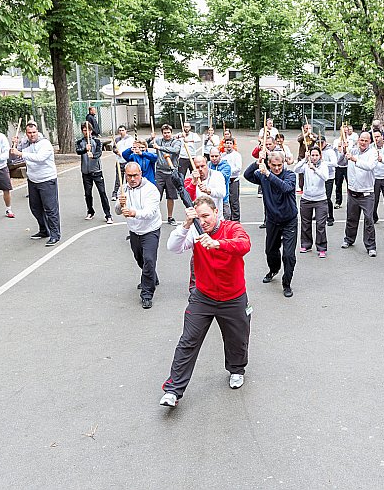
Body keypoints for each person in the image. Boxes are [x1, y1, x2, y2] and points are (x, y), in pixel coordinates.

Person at [160, 196, 252, 408]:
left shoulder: (231, 228)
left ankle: (236, 370)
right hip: (203, 297)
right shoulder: (194, 231)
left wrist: (218, 243)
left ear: (216, 212)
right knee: (188, 341)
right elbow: (173, 247)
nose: (202, 222)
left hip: (233, 297)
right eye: (198, 217)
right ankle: (173, 390)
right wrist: (186, 225)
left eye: (206, 216)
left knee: (237, 339)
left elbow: (244, 244)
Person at [244, 152, 298, 298]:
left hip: (289, 220)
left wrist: (268, 174)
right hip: (273, 220)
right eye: (273, 165)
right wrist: (257, 162)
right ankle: (274, 269)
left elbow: (285, 188)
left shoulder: (290, 175)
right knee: (270, 250)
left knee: (288, 255)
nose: (277, 168)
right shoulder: (262, 175)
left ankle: (286, 283)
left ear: (283, 164)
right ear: (268, 164)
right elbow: (247, 175)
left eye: (279, 165)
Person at [115, 162, 162, 309]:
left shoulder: (151, 190)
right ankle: (151, 276)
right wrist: (120, 203)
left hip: (150, 230)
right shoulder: (123, 189)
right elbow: (117, 211)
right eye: (129, 176)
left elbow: (150, 213)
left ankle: (147, 294)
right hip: (134, 231)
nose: (132, 179)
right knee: (140, 259)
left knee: (149, 259)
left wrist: (133, 213)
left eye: (135, 175)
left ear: (140, 174)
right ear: (125, 175)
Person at [10, 121, 61, 246]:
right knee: (35, 208)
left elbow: (40, 158)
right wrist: (14, 146)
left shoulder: (45, 144)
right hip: (33, 180)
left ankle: (55, 234)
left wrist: (21, 153)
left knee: (50, 208)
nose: (32, 135)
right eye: (29, 133)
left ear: (37, 131)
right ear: (26, 133)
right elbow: (13, 158)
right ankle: (44, 230)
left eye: (34, 132)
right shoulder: (24, 143)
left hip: (47, 179)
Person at [341, 131, 378, 256]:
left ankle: (371, 246)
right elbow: (340, 162)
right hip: (352, 192)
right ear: (358, 140)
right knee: (351, 218)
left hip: (366, 193)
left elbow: (370, 166)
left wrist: (354, 159)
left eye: (366, 140)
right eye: (361, 140)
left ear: (370, 142)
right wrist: (343, 150)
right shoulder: (352, 150)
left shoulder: (373, 153)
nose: (363, 142)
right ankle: (349, 239)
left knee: (369, 219)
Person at [294, 146, 330, 257]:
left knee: (320, 224)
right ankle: (306, 244)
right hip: (306, 199)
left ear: (320, 156)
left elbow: (325, 177)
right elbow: (296, 169)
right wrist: (304, 159)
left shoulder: (323, 165)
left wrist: (314, 169)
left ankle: (321, 247)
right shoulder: (306, 165)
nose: (314, 157)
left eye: (316, 155)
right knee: (305, 223)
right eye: (312, 155)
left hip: (320, 200)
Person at [76, 123, 112, 224]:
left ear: (91, 131)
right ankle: (90, 211)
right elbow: (78, 151)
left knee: (102, 192)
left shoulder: (97, 141)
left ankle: (108, 215)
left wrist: (93, 156)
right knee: (88, 193)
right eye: (84, 130)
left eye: (88, 130)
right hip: (86, 173)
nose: (86, 132)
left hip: (96, 172)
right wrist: (85, 149)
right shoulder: (80, 142)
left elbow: (99, 153)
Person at [153, 124, 182, 225]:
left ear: (171, 132)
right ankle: (154, 216)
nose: (167, 134)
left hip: (171, 172)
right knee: (156, 196)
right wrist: (151, 138)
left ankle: (170, 217)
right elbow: (145, 143)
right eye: (164, 133)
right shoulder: (158, 141)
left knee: (170, 196)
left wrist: (160, 148)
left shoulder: (176, 142)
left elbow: (175, 150)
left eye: (168, 132)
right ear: (162, 133)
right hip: (160, 172)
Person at [110, 125, 134, 200]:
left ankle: (129, 193)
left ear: (126, 131)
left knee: (128, 179)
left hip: (127, 161)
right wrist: (116, 151)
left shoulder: (130, 139)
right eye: (120, 130)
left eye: (122, 130)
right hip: (119, 161)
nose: (121, 132)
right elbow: (114, 148)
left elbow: (132, 149)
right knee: (118, 179)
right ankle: (115, 194)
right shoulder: (117, 140)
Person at [221, 138, 242, 221]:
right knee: (225, 201)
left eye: (230, 143)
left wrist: (228, 171)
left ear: (233, 145)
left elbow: (238, 167)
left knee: (234, 201)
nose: (228, 145)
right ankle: (227, 218)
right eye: (227, 143)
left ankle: (236, 219)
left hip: (233, 180)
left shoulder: (237, 155)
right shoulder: (222, 155)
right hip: (224, 181)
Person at [319, 135, 338, 226]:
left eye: (322, 143)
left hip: (329, 177)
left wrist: (324, 163)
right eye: (318, 143)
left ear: (325, 142)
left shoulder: (330, 151)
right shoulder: (317, 150)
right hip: (320, 176)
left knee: (327, 198)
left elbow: (335, 163)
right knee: (319, 197)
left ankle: (330, 217)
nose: (320, 144)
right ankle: (321, 214)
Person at [208, 148, 232, 220]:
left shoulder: (226, 167)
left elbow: (219, 178)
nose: (214, 158)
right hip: (210, 199)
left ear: (220, 155)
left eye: (216, 156)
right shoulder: (208, 165)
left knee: (225, 219)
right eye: (212, 156)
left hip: (223, 199)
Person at [296, 123, 315, 191]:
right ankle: (301, 186)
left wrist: (312, 137)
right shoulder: (302, 135)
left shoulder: (313, 134)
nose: (308, 130)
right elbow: (299, 140)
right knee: (301, 172)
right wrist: (306, 134)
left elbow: (317, 139)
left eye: (309, 128)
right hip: (302, 156)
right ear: (304, 129)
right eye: (306, 128)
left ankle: (310, 185)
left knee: (310, 171)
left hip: (311, 156)